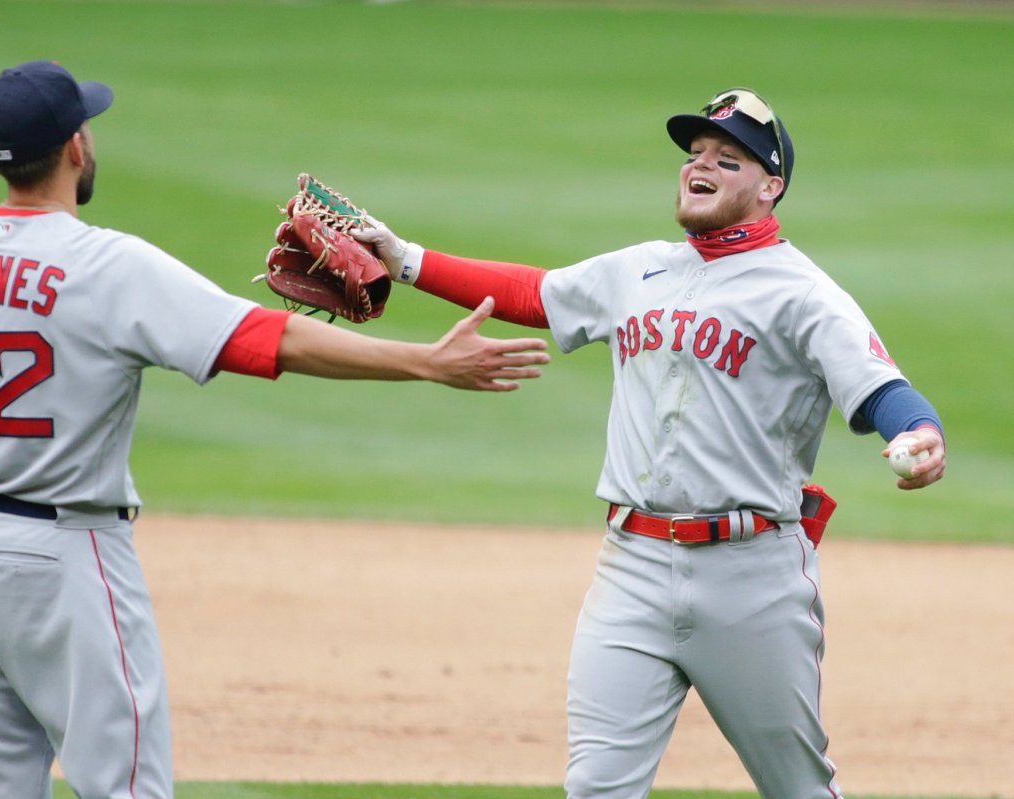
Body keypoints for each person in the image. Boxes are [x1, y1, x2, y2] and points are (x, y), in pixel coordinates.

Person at [0, 60, 551, 799]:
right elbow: (269, 338)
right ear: (76, 147)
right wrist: (425, 361)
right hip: (64, 560)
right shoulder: (106, 265)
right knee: (127, 787)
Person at [353, 87, 946, 799]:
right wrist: (406, 258)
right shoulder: (640, 268)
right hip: (629, 566)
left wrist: (920, 431)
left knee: (797, 788)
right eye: (695, 154)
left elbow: (880, 384)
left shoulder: (804, 293)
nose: (701, 165)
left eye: (729, 159)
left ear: (770, 187)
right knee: (596, 788)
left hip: (750, 577)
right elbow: (534, 294)